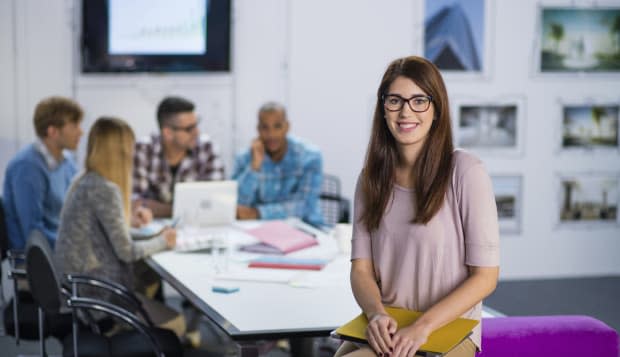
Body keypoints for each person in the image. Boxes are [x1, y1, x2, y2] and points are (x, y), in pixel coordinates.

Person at [335, 56, 500, 357]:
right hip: (391, 324)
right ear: (382, 108)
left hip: (447, 329)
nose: (405, 111)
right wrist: (375, 314)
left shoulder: (466, 172)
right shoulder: (370, 179)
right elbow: (361, 270)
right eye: (395, 100)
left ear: (436, 109)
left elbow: (485, 276)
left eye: (419, 100)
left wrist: (422, 326)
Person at [54, 117, 185, 337]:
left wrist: (154, 235)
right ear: (121, 152)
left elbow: (112, 235)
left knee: (149, 278)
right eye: (131, 148)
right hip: (95, 301)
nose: (133, 154)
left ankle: (138, 331)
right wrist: (163, 241)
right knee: (177, 323)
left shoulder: (85, 179)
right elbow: (126, 251)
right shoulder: (105, 189)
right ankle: (133, 334)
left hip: (76, 290)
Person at [3, 96, 83, 250]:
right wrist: (77, 246)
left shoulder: (67, 161)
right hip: (39, 259)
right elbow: (34, 233)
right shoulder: (27, 167)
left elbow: (78, 207)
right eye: (74, 125)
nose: (81, 132)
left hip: (61, 249)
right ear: (53, 131)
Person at [232, 102, 324, 227]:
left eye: (277, 126)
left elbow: (305, 206)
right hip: (259, 231)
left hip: (306, 228)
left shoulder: (309, 156)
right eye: (265, 127)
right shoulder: (245, 158)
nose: (271, 134)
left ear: (287, 127)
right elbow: (236, 206)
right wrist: (254, 167)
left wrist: (258, 212)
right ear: (258, 129)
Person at [133, 96, 225, 218]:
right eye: (189, 129)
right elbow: (135, 203)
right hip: (152, 229)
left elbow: (216, 200)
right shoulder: (143, 149)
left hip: (197, 228)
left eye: (196, 124)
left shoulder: (207, 147)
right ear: (168, 133)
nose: (197, 132)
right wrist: (185, 210)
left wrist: (158, 208)